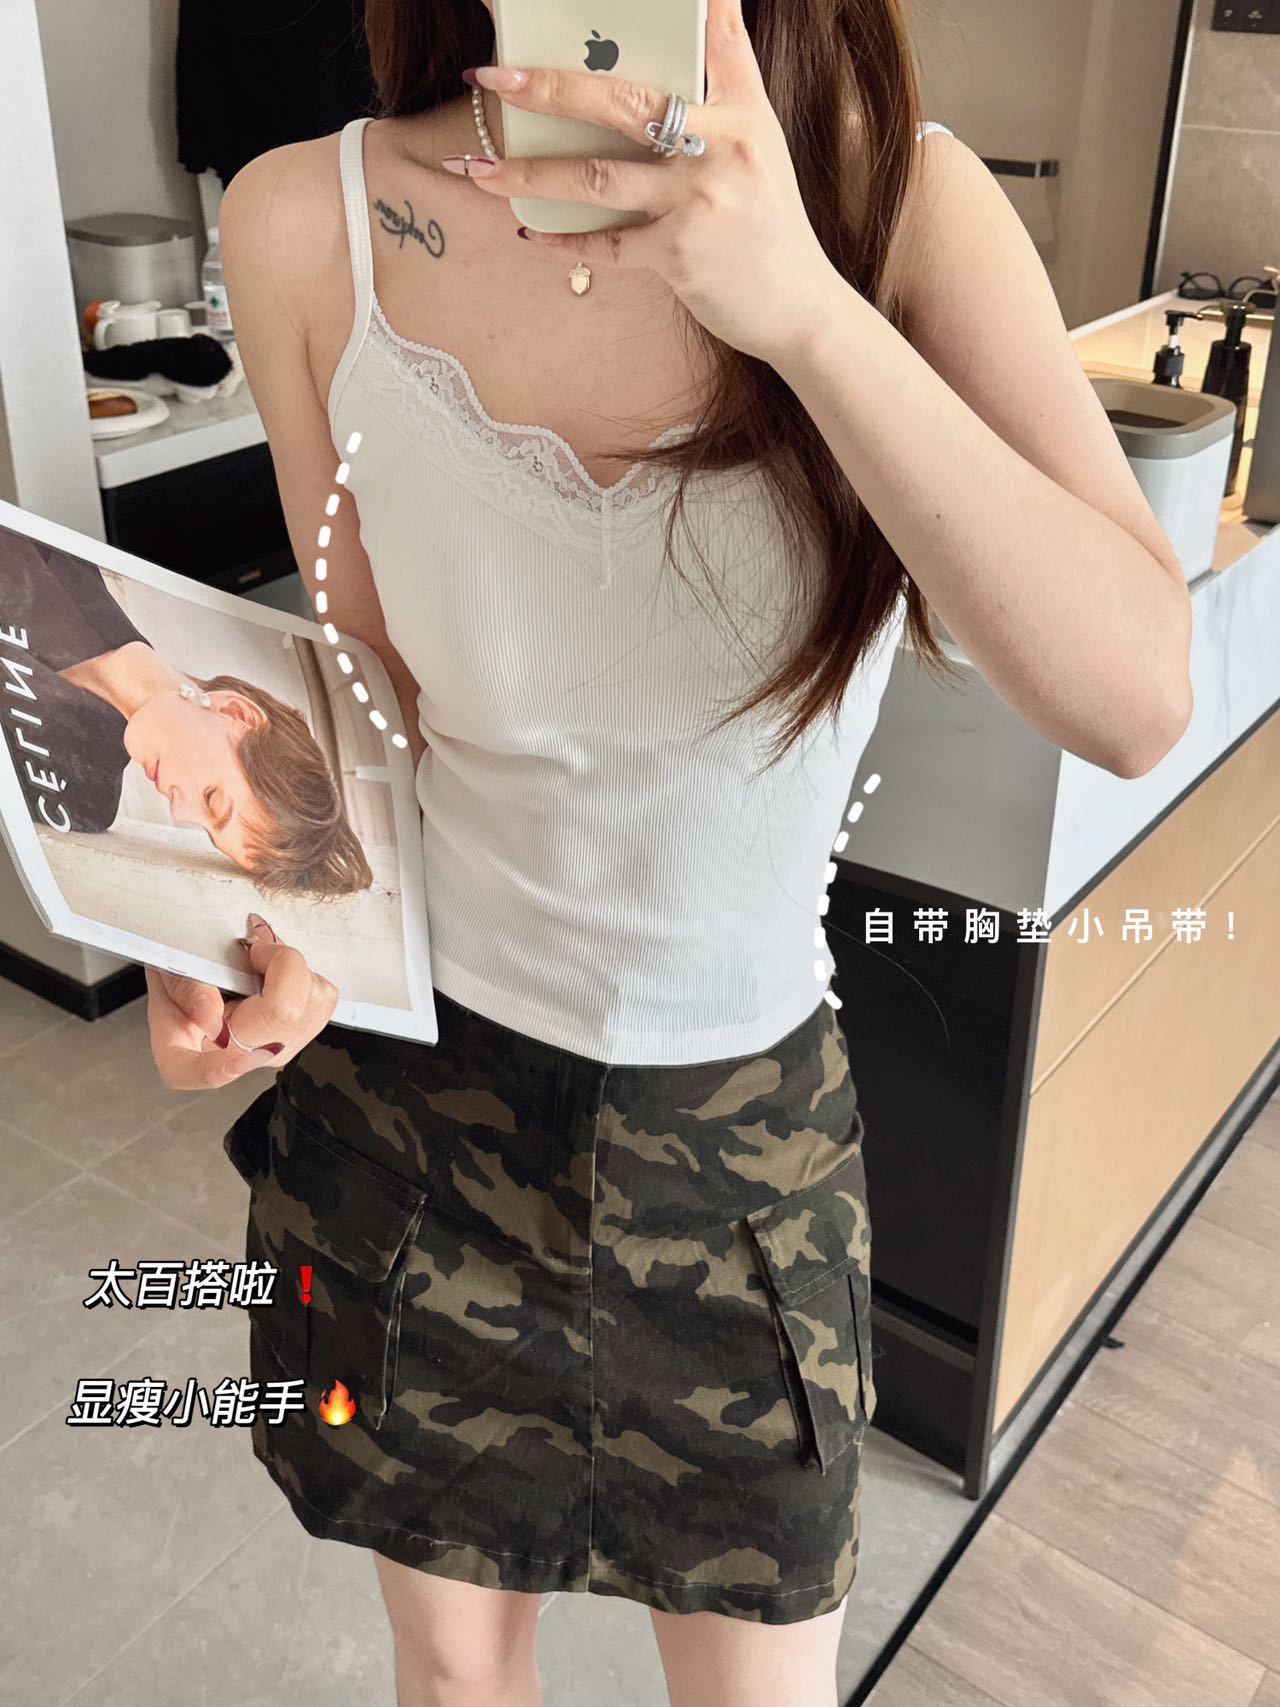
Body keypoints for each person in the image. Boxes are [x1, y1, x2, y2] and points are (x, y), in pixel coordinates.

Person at [147, 1, 1195, 1701]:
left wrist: (803, 309)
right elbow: (365, 717)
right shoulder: (303, 221)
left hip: (743, 1165)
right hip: (414, 1128)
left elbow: (1137, 696)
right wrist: (245, 920)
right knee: (454, 1676)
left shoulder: (899, 210)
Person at [0, 524, 373, 899]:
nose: (179, 812)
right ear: (237, 712)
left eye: (208, 832)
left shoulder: (84, 799)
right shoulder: (62, 562)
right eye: (212, 798)